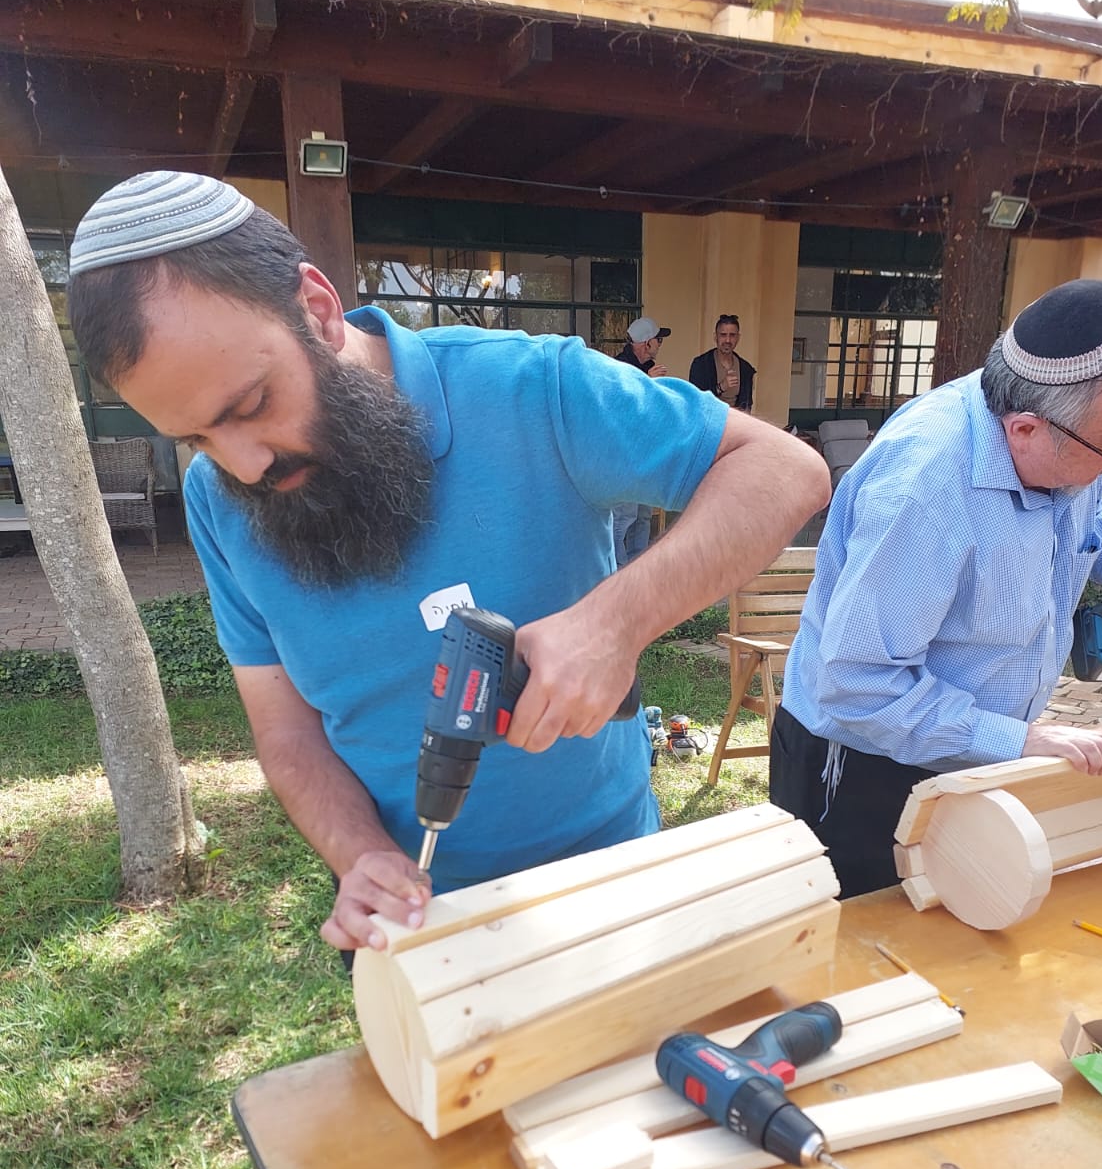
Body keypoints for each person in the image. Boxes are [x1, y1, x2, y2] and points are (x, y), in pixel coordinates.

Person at [66, 173, 830, 951]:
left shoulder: (535, 388)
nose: (244, 465)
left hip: (607, 884)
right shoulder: (215, 498)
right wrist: (359, 857)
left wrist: (616, 623)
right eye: (196, 438)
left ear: (319, 312)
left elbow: (782, 472)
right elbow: (288, 732)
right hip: (416, 928)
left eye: (252, 404)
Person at [769, 277, 1102, 900]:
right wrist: (1021, 740)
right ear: (1024, 429)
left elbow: (1088, 506)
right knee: (865, 959)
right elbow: (856, 687)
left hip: (967, 755)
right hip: (864, 769)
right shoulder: (925, 492)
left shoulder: (1060, 421)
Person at [612, 316, 672, 565]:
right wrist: (648, 383)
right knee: (624, 516)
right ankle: (617, 570)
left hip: (647, 453)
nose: (660, 344)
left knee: (644, 514)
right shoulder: (618, 368)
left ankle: (637, 564)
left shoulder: (648, 367)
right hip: (626, 456)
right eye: (658, 339)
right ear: (647, 343)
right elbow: (620, 409)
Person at [690, 315, 756, 413]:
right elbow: (695, 399)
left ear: (738, 338)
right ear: (715, 337)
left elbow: (747, 405)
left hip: (736, 422)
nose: (728, 340)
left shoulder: (746, 369)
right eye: (723, 335)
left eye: (732, 335)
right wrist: (721, 387)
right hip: (708, 420)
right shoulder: (701, 364)